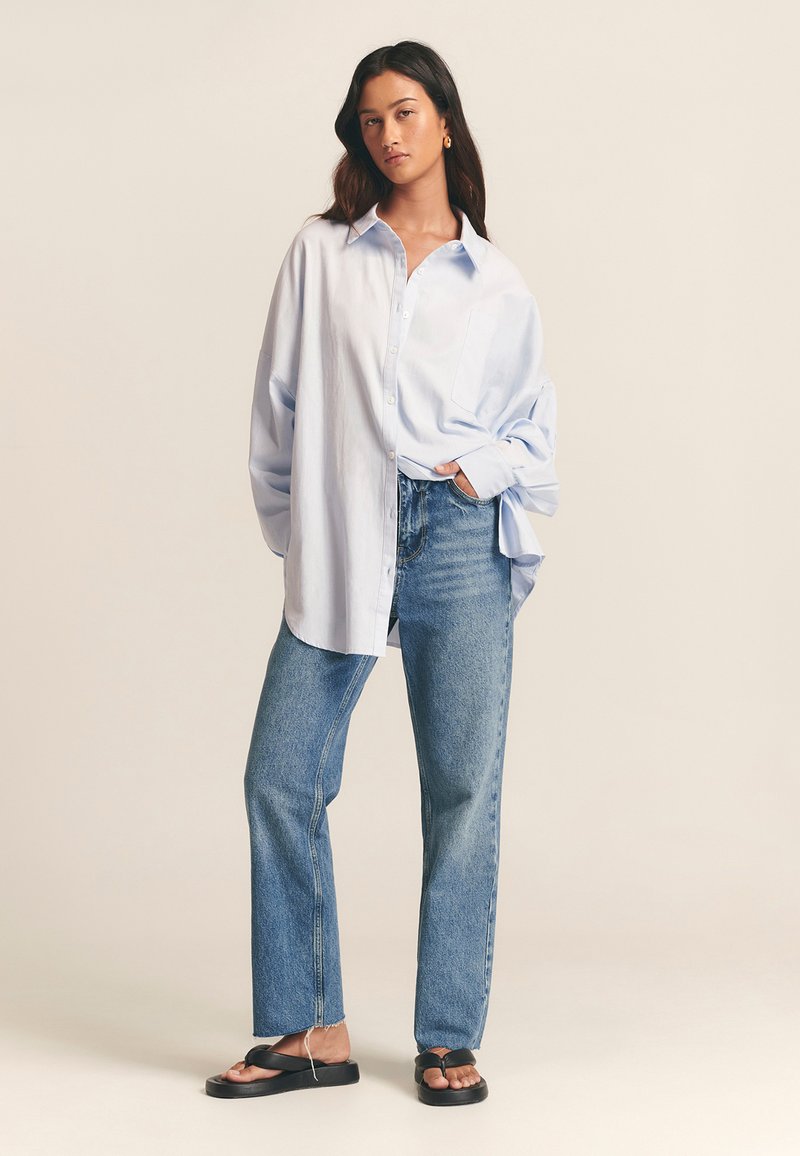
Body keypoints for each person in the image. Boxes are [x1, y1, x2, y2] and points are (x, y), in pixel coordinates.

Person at [205, 39, 559, 1107]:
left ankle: (447, 1034)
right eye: (370, 120)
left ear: (444, 120)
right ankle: (311, 1028)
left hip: (456, 530)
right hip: (343, 530)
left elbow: (535, 439)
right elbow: (277, 411)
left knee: (461, 789)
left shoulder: (495, 284)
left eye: (405, 112)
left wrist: (469, 473)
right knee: (281, 773)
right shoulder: (321, 254)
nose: (389, 134)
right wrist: (305, 533)